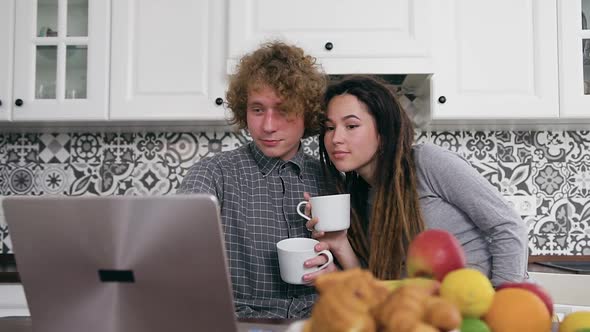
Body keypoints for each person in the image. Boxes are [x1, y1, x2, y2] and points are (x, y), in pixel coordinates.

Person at [305, 75, 528, 287]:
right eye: (330, 128)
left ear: (383, 130)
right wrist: (340, 244)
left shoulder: (426, 162)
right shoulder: (359, 195)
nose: (336, 139)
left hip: (480, 309)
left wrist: (503, 300)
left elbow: (507, 226)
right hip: (427, 316)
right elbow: (381, 285)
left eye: (351, 126)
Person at [177, 41, 337, 319]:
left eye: (283, 109)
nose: (268, 126)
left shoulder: (331, 180)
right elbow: (173, 247)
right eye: (258, 109)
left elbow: (361, 272)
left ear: (307, 112)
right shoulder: (213, 175)